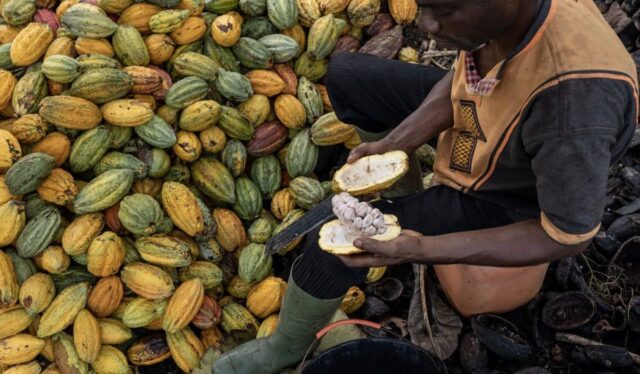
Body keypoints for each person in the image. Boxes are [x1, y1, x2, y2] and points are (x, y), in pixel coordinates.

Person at [205, 0, 639, 373]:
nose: (427, 24)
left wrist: (420, 248)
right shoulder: (503, 20)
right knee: (347, 77)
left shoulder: (571, 106)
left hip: (506, 194)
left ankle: (284, 347)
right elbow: (461, 84)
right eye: (424, 5)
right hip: (485, 127)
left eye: (446, 9)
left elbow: (565, 235)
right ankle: (404, 189)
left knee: (330, 246)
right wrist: (396, 144)